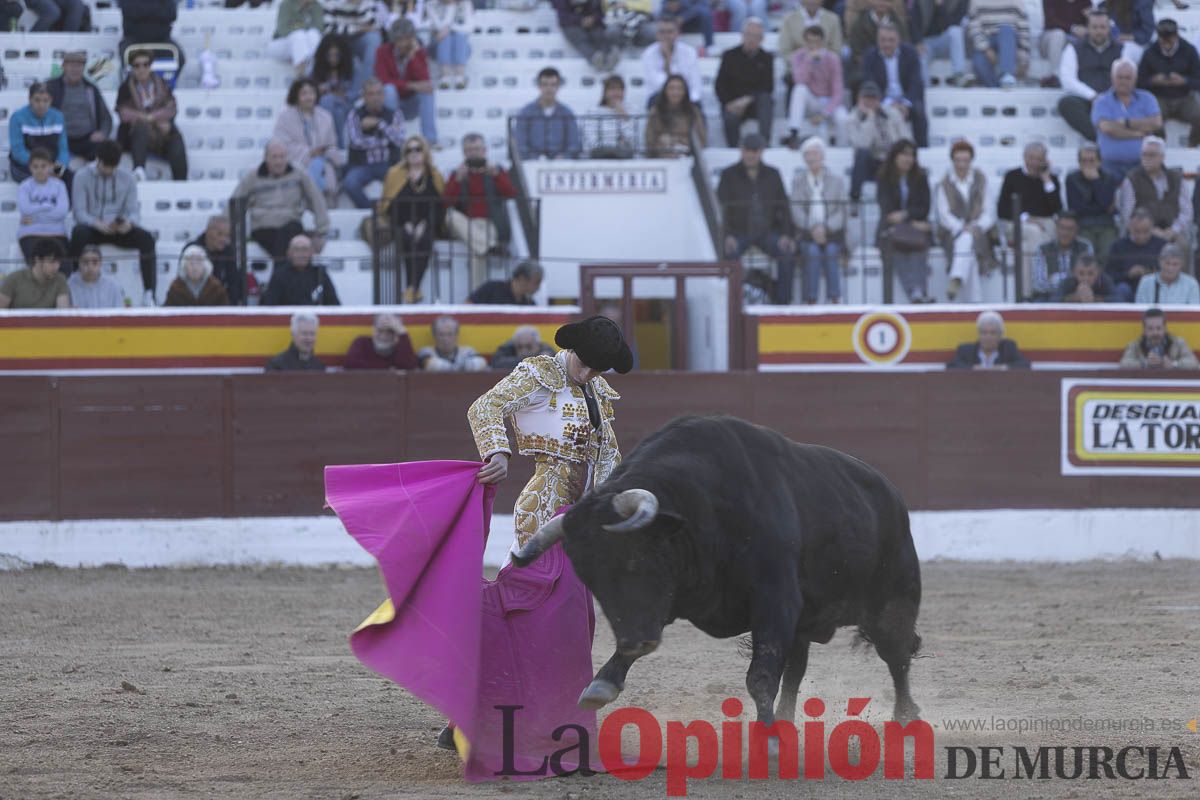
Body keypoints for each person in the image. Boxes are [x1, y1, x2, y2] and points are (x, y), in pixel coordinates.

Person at [469, 313, 630, 542]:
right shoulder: (541, 374)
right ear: (572, 349)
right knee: (534, 573)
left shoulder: (597, 389)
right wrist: (497, 451)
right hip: (544, 503)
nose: (586, 375)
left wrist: (606, 498)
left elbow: (608, 450)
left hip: (586, 507)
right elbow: (485, 406)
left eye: (595, 370)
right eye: (583, 364)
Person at [70, 141, 158, 305]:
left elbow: (133, 211)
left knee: (147, 239)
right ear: (98, 160)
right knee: (78, 233)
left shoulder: (128, 178)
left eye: (113, 166)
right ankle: (74, 285)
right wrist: (95, 223)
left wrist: (128, 223)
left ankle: (149, 293)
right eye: (106, 166)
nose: (109, 171)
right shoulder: (81, 176)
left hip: (118, 229)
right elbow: (79, 212)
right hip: (93, 228)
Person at [716, 132, 797, 304]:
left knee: (787, 253)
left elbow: (784, 206)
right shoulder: (728, 174)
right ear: (741, 151)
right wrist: (727, 235)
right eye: (747, 150)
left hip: (767, 232)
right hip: (739, 232)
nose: (750, 155)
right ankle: (736, 304)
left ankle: (783, 304)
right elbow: (720, 209)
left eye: (755, 150)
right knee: (730, 255)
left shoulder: (773, 174)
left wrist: (786, 234)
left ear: (761, 152)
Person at [232, 139, 331, 262]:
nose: (279, 161)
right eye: (274, 157)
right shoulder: (252, 177)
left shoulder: (298, 173)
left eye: (282, 157)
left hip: (291, 224)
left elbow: (316, 199)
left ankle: (279, 275)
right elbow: (235, 203)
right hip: (264, 227)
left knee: (291, 235)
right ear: (266, 158)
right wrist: (228, 231)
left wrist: (321, 231)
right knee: (294, 246)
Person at [443, 134, 518, 289]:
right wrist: (457, 179)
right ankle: (491, 247)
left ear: (485, 151)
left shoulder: (497, 171)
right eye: (469, 150)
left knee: (477, 253)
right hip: (465, 223)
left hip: (490, 223)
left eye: (477, 149)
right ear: (464, 153)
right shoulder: (456, 173)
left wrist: (496, 175)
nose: (473, 153)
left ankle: (476, 299)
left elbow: (511, 193)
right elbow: (446, 203)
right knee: (449, 215)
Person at [378, 134, 445, 302]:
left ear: (425, 152)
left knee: (424, 240)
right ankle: (413, 289)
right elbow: (389, 205)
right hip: (401, 222)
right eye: (409, 150)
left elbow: (438, 205)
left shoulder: (434, 175)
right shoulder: (395, 174)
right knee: (407, 239)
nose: (413, 153)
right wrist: (406, 224)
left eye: (418, 149)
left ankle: (411, 287)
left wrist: (424, 224)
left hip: (427, 223)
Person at [996, 141, 1062, 298]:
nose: (1034, 163)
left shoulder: (1051, 179)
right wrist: (1026, 217)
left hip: (1045, 223)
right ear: (1024, 157)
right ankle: (1040, 287)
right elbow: (1002, 210)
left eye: (1039, 159)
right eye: (1031, 158)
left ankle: (1027, 293)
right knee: (1035, 232)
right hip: (1017, 222)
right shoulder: (1012, 176)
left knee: (1029, 246)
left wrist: (1046, 180)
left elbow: (1057, 209)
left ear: (1045, 160)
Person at [936, 140, 996, 303]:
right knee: (970, 249)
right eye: (958, 160)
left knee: (969, 242)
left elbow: (988, 212)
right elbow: (944, 215)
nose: (962, 165)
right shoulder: (945, 183)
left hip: (979, 231)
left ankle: (956, 277)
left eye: (965, 160)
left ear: (971, 161)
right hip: (952, 232)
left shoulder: (981, 180)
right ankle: (975, 303)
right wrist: (962, 228)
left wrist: (975, 227)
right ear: (952, 161)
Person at [115, 49, 188, 182]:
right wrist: (149, 118)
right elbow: (124, 113)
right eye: (137, 65)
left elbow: (171, 108)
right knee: (140, 127)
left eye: (145, 64)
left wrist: (149, 117)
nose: (142, 69)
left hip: (160, 134)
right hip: (133, 135)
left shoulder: (162, 84)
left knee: (176, 139)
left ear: (150, 66)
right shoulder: (125, 88)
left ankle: (181, 182)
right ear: (132, 68)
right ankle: (139, 171)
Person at [791, 137, 846, 304]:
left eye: (814, 153)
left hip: (832, 232)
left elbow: (841, 210)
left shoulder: (836, 180)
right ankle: (811, 299)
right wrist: (813, 227)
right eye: (807, 154)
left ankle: (835, 298)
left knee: (830, 251)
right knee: (813, 252)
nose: (811, 157)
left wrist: (826, 228)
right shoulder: (798, 181)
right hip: (807, 233)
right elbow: (796, 210)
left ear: (822, 156)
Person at [877, 139, 932, 303]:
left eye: (911, 155)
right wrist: (906, 220)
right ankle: (914, 292)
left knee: (920, 245)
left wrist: (906, 216)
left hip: (916, 225)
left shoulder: (921, 177)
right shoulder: (884, 176)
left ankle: (920, 290)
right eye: (904, 154)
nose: (908, 159)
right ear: (895, 156)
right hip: (891, 228)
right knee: (896, 246)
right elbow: (886, 208)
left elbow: (925, 207)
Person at [274, 77, 344, 205]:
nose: (308, 97)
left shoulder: (326, 117)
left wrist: (325, 152)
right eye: (304, 94)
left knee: (319, 165)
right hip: (296, 164)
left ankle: (313, 200)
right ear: (296, 96)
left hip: (323, 164)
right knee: (313, 167)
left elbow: (333, 146)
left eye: (311, 93)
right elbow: (281, 146)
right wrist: (310, 153)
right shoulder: (285, 117)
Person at [1091, 58, 1161, 180]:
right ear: (1112, 78)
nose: (1123, 81)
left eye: (1128, 77)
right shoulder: (1101, 101)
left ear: (1135, 79)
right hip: (1110, 166)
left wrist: (1126, 122)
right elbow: (1108, 128)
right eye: (1120, 77)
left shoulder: (1148, 98)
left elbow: (1156, 123)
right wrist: (1138, 133)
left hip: (1142, 165)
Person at [1056, 9, 1121, 142]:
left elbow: (1125, 77)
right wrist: (1093, 96)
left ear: (1109, 28)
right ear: (1088, 28)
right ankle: (1100, 139)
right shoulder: (1073, 48)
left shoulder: (1121, 49)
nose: (1099, 31)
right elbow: (1067, 79)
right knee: (1066, 104)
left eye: (1102, 27)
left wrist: (1108, 96)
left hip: (1113, 98)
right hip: (1085, 98)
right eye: (1095, 27)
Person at [1115, 136, 1190, 249]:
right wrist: (1150, 230)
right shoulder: (1132, 179)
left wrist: (1173, 230)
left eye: (1152, 155)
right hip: (1142, 232)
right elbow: (1127, 213)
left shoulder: (1177, 179)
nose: (1147, 158)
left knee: (1183, 246)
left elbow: (1186, 211)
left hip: (1172, 231)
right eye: (1144, 154)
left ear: (1162, 157)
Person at [861, 22, 928, 148]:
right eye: (883, 40)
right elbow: (870, 85)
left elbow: (916, 83)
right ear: (877, 40)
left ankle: (922, 151)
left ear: (898, 40)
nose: (887, 44)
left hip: (907, 100)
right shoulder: (870, 56)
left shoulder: (911, 53)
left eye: (891, 40)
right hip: (882, 101)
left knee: (919, 111)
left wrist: (905, 104)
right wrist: (889, 105)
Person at [342, 78, 406, 209]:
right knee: (350, 183)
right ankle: (371, 211)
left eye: (379, 93)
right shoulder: (354, 114)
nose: (375, 98)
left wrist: (380, 124)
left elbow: (399, 140)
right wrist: (385, 140)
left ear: (383, 95)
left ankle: (389, 211)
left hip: (389, 164)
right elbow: (356, 142)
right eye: (371, 94)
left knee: (404, 180)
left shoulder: (395, 114)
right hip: (361, 165)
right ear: (364, 96)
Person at [1136, 18, 1200, 148]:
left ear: (1176, 35)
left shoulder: (1189, 51)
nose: (1166, 43)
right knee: (1153, 119)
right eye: (1163, 39)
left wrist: (1184, 81)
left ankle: (1192, 146)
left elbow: (1198, 80)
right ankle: (1160, 148)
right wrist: (1153, 81)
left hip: (1184, 98)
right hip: (1159, 98)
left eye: (1169, 39)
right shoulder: (1149, 52)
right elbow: (1139, 82)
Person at [375, 18, 438, 145]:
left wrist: (413, 58)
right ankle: (393, 138)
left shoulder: (419, 51)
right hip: (391, 101)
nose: (403, 43)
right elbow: (383, 80)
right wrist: (411, 85)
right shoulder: (382, 52)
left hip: (411, 103)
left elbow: (424, 80)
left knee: (427, 90)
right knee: (389, 89)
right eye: (399, 39)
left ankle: (430, 140)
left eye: (406, 39)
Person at [846, 81, 909, 205]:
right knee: (862, 153)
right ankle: (855, 198)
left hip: (892, 159)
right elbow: (862, 144)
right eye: (866, 98)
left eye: (873, 98)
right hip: (871, 162)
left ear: (879, 99)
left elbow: (905, 139)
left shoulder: (892, 113)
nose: (870, 102)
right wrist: (870, 119)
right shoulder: (852, 119)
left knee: (904, 154)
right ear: (859, 99)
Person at [715, 19, 774, 148]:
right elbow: (720, 84)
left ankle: (764, 145)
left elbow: (768, 86)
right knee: (730, 116)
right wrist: (729, 103)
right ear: (742, 36)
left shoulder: (767, 58)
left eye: (755, 36)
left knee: (766, 100)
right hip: (733, 102)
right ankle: (733, 149)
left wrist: (747, 99)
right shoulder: (729, 55)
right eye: (748, 35)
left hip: (755, 103)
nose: (751, 39)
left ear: (761, 39)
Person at [784, 25, 845, 148]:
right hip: (811, 100)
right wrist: (808, 61)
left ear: (822, 41)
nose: (813, 45)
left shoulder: (833, 59)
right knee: (799, 89)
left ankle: (843, 146)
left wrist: (825, 113)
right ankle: (794, 133)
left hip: (828, 101)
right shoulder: (798, 56)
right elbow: (800, 80)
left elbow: (838, 92)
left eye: (816, 41)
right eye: (809, 41)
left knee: (843, 118)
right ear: (805, 41)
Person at [47, 51, 114, 162]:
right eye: (71, 66)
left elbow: (106, 118)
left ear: (83, 68)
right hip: (60, 138)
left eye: (79, 66)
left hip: (87, 138)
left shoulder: (91, 89)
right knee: (51, 159)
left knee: (106, 155)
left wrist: (102, 133)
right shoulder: (52, 87)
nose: (75, 69)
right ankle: (60, 176)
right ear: (63, 67)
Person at [1065, 143, 1119, 268]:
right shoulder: (1072, 179)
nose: (1088, 164)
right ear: (1079, 163)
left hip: (1106, 225)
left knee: (1107, 256)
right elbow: (1076, 208)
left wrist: (1096, 181)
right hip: (1083, 224)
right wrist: (1100, 208)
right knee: (1085, 257)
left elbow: (1105, 202)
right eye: (1084, 161)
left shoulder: (1109, 178)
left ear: (1099, 162)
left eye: (1091, 160)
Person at [8, 83, 70, 189]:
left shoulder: (58, 117)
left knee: (71, 178)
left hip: (51, 165)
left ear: (51, 100)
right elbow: (18, 151)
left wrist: (56, 169)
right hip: (25, 166)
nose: (41, 104)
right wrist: (42, 167)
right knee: (40, 182)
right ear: (30, 99)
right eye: (37, 100)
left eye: (46, 100)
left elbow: (63, 150)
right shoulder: (17, 118)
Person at [514, 67, 582, 160]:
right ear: (539, 86)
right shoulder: (526, 113)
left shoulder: (567, 113)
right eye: (545, 84)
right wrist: (536, 158)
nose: (549, 88)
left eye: (553, 85)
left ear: (558, 86)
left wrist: (564, 157)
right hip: (531, 165)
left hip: (562, 166)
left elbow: (574, 144)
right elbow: (520, 145)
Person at [17, 148, 70, 265]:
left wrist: (35, 216)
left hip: (57, 233)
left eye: (43, 166)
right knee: (37, 268)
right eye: (35, 167)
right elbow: (26, 210)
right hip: (30, 234)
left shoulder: (60, 185)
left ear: (51, 166)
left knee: (64, 267)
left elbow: (62, 212)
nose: (39, 170)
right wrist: (49, 208)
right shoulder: (24, 186)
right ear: (30, 168)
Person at [261, 234, 342, 306]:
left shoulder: (320, 274)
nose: (300, 254)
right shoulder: (279, 275)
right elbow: (269, 306)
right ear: (289, 253)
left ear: (311, 252)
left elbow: (334, 305)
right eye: (296, 249)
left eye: (305, 249)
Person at [323, 0, 382, 96]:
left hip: (359, 41)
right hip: (339, 41)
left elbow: (373, 25)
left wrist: (360, 5)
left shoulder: (367, 2)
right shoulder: (331, 2)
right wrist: (357, 29)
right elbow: (329, 29)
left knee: (374, 38)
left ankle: (368, 88)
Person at [1106, 207, 1166, 301]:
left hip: (1154, 288)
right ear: (1129, 227)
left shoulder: (1161, 245)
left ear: (1152, 228)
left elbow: (1168, 271)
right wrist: (1128, 274)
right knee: (1122, 289)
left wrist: (1148, 272)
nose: (1141, 236)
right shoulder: (1118, 246)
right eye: (1137, 231)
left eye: (1145, 231)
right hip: (1128, 288)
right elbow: (1109, 275)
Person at [640, 16, 702, 106]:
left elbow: (695, 85)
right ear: (657, 34)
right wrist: (667, 61)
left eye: (670, 32)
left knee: (696, 104)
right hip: (660, 99)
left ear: (678, 33)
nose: (666, 36)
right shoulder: (649, 54)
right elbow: (659, 85)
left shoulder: (689, 52)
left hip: (686, 99)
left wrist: (688, 101)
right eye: (662, 32)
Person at [1030, 211, 1093, 299]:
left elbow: (1089, 277)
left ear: (1077, 229)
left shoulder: (1085, 247)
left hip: (1077, 296)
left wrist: (1054, 279)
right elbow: (1038, 284)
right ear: (1056, 228)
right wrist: (1067, 285)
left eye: (1070, 229)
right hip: (1049, 297)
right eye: (1062, 228)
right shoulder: (1042, 249)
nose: (1065, 233)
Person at [644, 74, 706, 158]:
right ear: (665, 91)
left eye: (679, 89)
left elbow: (700, 140)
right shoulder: (656, 111)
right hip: (661, 157)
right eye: (671, 88)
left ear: (685, 91)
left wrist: (677, 142)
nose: (675, 92)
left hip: (688, 158)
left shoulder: (693, 111)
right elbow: (649, 141)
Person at [311, 34, 357, 148]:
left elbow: (356, 93)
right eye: (329, 55)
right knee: (332, 105)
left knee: (332, 103)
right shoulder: (317, 68)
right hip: (325, 107)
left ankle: (330, 145)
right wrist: (319, 90)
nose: (333, 59)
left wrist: (342, 95)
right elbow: (309, 89)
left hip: (347, 106)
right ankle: (338, 147)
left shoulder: (354, 66)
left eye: (336, 55)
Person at [184, 216, 241, 306]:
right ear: (208, 231)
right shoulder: (192, 250)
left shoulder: (228, 251)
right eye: (220, 234)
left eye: (227, 235)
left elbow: (233, 283)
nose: (224, 239)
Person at [945, 310, 1031, 369]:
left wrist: (1002, 368)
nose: (988, 337)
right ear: (979, 335)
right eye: (984, 333)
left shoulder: (1008, 348)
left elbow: (1025, 365)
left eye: (993, 333)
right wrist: (973, 368)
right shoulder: (966, 350)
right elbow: (951, 366)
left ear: (1000, 336)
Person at [848, 0, 910, 82]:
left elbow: (904, 45)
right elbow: (856, 49)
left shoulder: (898, 22)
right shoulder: (860, 22)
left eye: (887, 1)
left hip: (893, 63)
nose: (882, 3)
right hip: (866, 64)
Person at [911, 0, 969, 86]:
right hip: (926, 42)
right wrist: (918, 42)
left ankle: (958, 75)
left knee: (955, 31)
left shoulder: (958, 2)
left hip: (945, 42)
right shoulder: (920, 2)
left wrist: (940, 6)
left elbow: (952, 24)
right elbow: (913, 23)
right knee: (921, 58)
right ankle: (925, 89)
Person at [0, 238, 70, 310]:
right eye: (51, 262)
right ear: (37, 260)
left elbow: (63, 312)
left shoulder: (59, 279)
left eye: (58, 262)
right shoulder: (14, 279)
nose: (57, 267)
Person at [1118, 307, 1198, 368]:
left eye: (1158, 328)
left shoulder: (1179, 342)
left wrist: (1173, 364)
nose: (1155, 332)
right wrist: (1145, 363)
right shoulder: (1135, 344)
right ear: (1144, 330)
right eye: (1150, 328)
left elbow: (1194, 363)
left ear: (1165, 328)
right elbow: (1124, 363)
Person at [553, 0, 621, 71]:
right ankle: (594, 58)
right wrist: (580, 20)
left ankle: (608, 56)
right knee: (579, 38)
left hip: (593, 22)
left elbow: (602, 12)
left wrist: (593, 18)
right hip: (572, 24)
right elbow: (563, 17)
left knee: (598, 34)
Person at [582, 75, 638, 158]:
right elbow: (590, 141)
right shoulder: (593, 112)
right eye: (612, 89)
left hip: (624, 157)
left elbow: (632, 142)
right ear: (605, 92)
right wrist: (612, 146)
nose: (616, 93)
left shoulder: (632, 110)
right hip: (599, 157)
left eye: (620, 89)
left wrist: (624, 116)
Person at [118, 0, 182, 69]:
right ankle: (132, 79)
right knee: (125, 56)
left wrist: (143, 11)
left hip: (162, 40)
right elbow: (130, 11)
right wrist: (158, 8)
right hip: (134, 41)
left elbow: (172, 13)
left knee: (180, 59)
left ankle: (162, 80)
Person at [344, 313, 420, 369]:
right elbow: (350, 364)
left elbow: (408, 367)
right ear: (373, 329)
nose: (384, 336)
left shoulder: (401, 347)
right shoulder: (362, 343)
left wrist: (403, 334)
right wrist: (389, 367)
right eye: (380, 330)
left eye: (390, 331)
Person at [268, 0, 325, 76]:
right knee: (298, 35)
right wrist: (305, 25)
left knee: (313, 34)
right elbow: (283, 29)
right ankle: (300, 73)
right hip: (282, 43)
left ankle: (313, 72)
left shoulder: (316, 6)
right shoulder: (286, 4)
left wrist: (295, 24)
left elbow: (319, 27)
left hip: (305, 43)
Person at [778, 0, 843, 66]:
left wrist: (821, 61)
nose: (812, 1)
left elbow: (836, 50)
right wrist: (804, 62)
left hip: (826, 69)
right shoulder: (789, 19)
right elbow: (785, 51)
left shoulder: (833, 19)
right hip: (796, 69)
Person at [426, 0, 473, 89]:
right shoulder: (431, 4)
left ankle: (460, 77)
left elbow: (469, 27)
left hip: (460, 44)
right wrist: (450, 8)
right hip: (436, 44)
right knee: (445, 37)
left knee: (460, 36)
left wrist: (450, 28)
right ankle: (445, 76)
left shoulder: (465, 3)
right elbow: (439, 26)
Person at [165, 245, 231, 306]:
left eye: (199, 262)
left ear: (205, 265)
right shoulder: (175, 288)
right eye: (191, 263)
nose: (195, 267)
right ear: (184, 266)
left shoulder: (216, 288)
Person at [1134, 244, 1200, 304]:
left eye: (1175, 264)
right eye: (1167, 263)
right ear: (1160, 262)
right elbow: (1139, 312)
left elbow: (1194, 313)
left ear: (1181, 264)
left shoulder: (1191, 284)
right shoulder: (1146, 282)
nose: (1170, 268)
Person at [419, 315, 488, 371]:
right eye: (441, 334)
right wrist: (459, 367)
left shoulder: (468, 351)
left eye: (450, 334)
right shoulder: (426, 352)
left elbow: (482, 363)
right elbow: (429, 364)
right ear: (434, 335)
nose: (445, 339)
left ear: (456, 335)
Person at [468, 261, 543, 305]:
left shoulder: (529, 303)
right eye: (537, 282)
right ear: (522, 278)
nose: (539, 286)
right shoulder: (491, 289)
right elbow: (466, 308)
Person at [1053, 252, 1117, 302]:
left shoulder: (1104, 280)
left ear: (1098, 272)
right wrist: (1073, 298)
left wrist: (1095, 298)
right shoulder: (1068, 281)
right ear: (1074, 272)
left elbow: (1119, 299)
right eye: (1081, 273)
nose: (1086, 278)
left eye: (1090, 273)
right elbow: (1052, 301)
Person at [1106, 0, 1154, 65]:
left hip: (1135, 43)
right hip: (1112, 41)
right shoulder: (1106, 4)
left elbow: (1147, 33)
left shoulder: (1142, 4)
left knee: (1125, 52)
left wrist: (1129, 37)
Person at [489, 324, 556, 370]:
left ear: (538, 345)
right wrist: (531, 361)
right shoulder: (507, 348)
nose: (524, 351)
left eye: (529, 346)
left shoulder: (547, 351)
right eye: (520, 347)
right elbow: (496, 363)